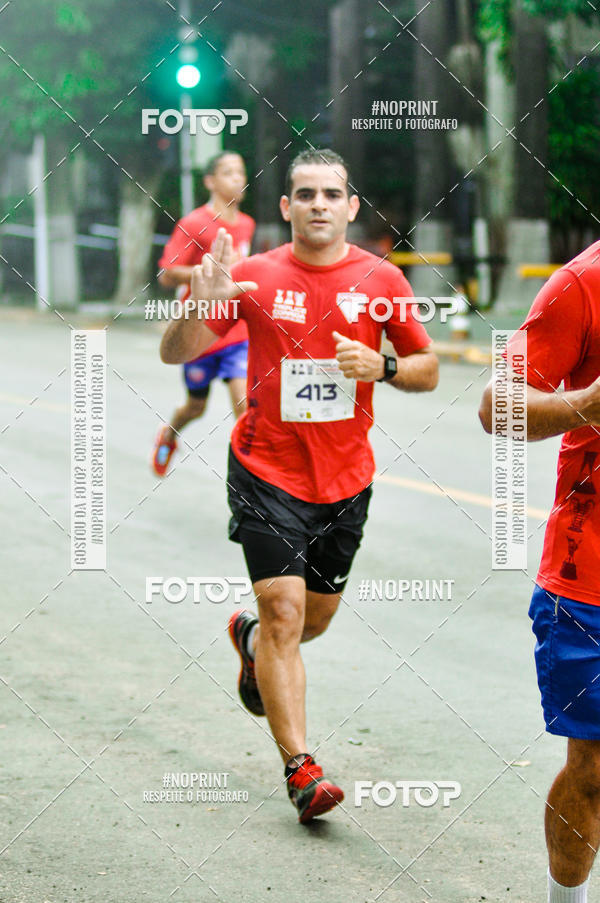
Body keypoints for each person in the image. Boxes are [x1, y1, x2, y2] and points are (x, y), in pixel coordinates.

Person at [160, 148, 439, 822]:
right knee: (286, 612)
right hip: (265, 469)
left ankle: (252, 642)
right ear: (285, 208)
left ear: (350, 207)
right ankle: (301, 767)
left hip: (345, 479)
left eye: (331, 194)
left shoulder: (381, 279)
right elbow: (176, 351)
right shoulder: (253, 275)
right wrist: (201, 300)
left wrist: (385, 363)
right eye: (304, 193)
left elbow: (429, 367)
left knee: (310, 621)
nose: (318, 203)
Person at [479, 240, 600, 902]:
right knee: (595, 767)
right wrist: (590, 404)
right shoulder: (581, 285)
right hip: (590, 581)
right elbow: (497, 407)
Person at [151, 151, 255, 477]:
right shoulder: (194, 223)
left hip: (236, 331)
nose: (237, 178)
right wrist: (211, 272)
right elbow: (168, 273)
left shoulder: (248, 224)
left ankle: (253, 483)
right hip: (200, 331)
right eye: (228, 172)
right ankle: (169, 433)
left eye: (241, 171)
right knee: (195, 406)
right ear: (210, 181)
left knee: (245, 408)